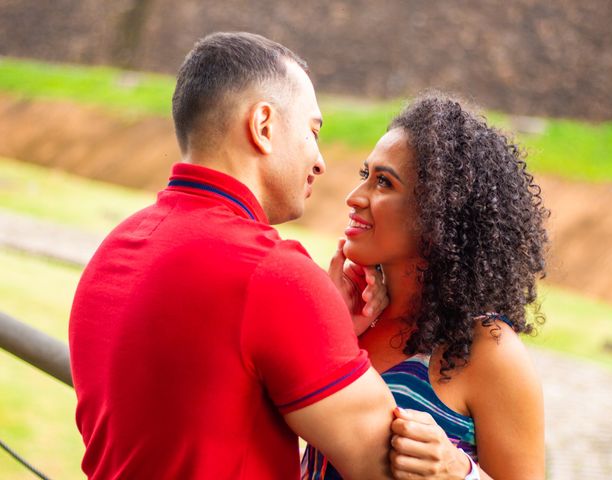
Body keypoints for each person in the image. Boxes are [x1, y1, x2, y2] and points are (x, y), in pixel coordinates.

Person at [69, 32, 398, 480]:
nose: (319, 161)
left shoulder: (113, 250)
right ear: (263, 125)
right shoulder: (272, 274)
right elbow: (390, 463)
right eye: (312, 131)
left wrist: (326, 328)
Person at [305, 94, 548, 479]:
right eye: (364, 175)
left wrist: (458, 470)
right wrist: (333, 331)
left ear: (439, 213)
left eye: (383, 182)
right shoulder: (351, 320)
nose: (354, 198)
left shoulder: (489, 352)